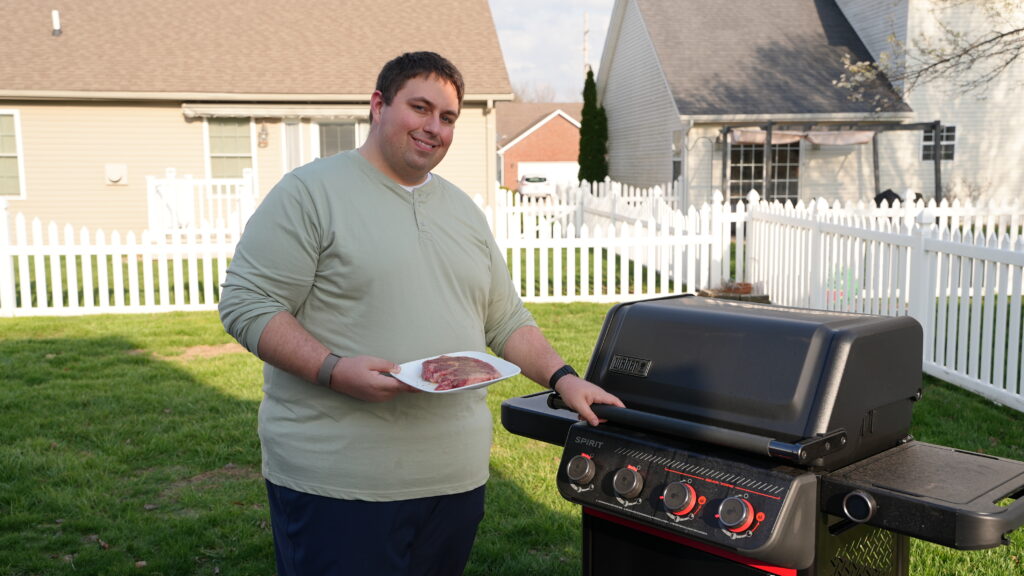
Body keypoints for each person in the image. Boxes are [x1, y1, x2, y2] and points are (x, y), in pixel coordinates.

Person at [218, 51, 624, 576]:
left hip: (453, 481)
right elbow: (248, 303)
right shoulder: (309, 193)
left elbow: (506, 320)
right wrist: (333, 370)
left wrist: (565, 379)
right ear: (378, 105)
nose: (434, 127)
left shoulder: (462, 211)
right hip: (339, 484)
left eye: (448, 117)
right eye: (420, 108)